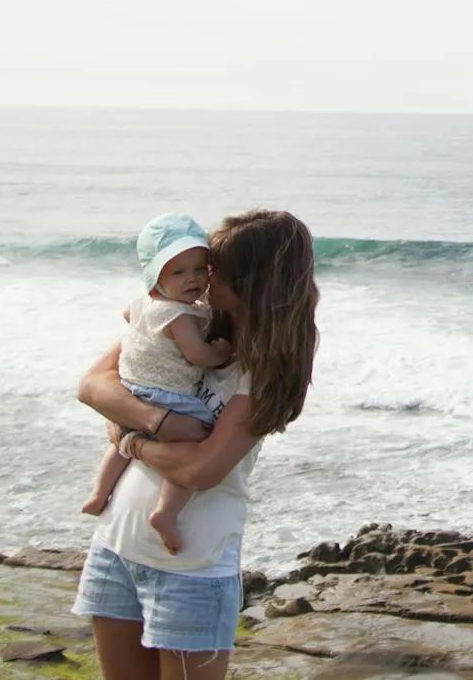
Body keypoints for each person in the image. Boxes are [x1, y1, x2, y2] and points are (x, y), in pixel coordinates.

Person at [75, 210, 319, 680]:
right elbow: (92, 386)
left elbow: (202, 470)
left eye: (219, 268)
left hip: (190, 568)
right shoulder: (188, 323)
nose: (207, 275)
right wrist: (153, 421)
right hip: (114, 548)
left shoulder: (264, 368)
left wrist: (129, 439)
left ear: (256, 280)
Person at [82, 213, 236, 552]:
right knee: (198, 434)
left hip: (133, 383)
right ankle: (165, 512)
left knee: (119, 443)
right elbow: (197, 355)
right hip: (167, 395)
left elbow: (128, 315)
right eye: (178, 272)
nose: (192, 279)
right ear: (156, 277)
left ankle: (99, 492)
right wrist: (219, 351)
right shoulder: (180, 316)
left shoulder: (146, 304)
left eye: (199, 269)